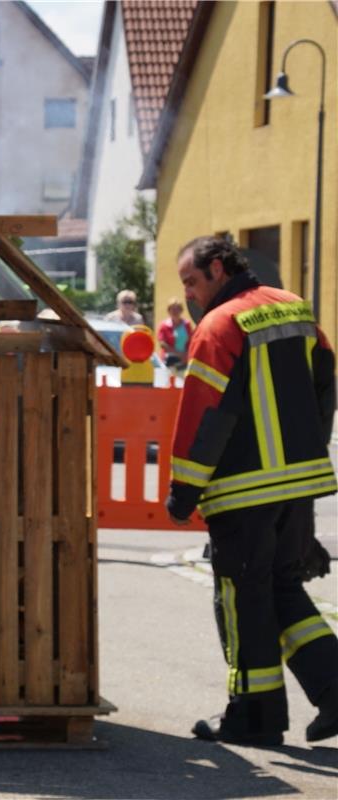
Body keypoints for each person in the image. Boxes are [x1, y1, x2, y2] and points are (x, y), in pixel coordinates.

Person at [167, 235, 337, 746]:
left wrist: (184, 490)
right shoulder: (297, 311)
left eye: (193, 282)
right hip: (297, 487)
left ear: (219, 268)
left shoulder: (218, 326)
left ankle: (253, 719)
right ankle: (334, 690)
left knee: (242, 599)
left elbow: (205, 415)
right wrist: (308, 456)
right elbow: (325, 388)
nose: (192, 295)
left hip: (243, 492)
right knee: (281, 588)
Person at [156, 297, 193, 368]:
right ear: (169, 311)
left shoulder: (187, 324)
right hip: (169, 360)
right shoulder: (164, 325)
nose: (175, 311)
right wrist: (179, 354)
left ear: (181, 310)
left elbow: (191, 340)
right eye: (172, 309)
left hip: (184, 360)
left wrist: (186, 354)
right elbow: (162, 344)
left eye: (177, 309)